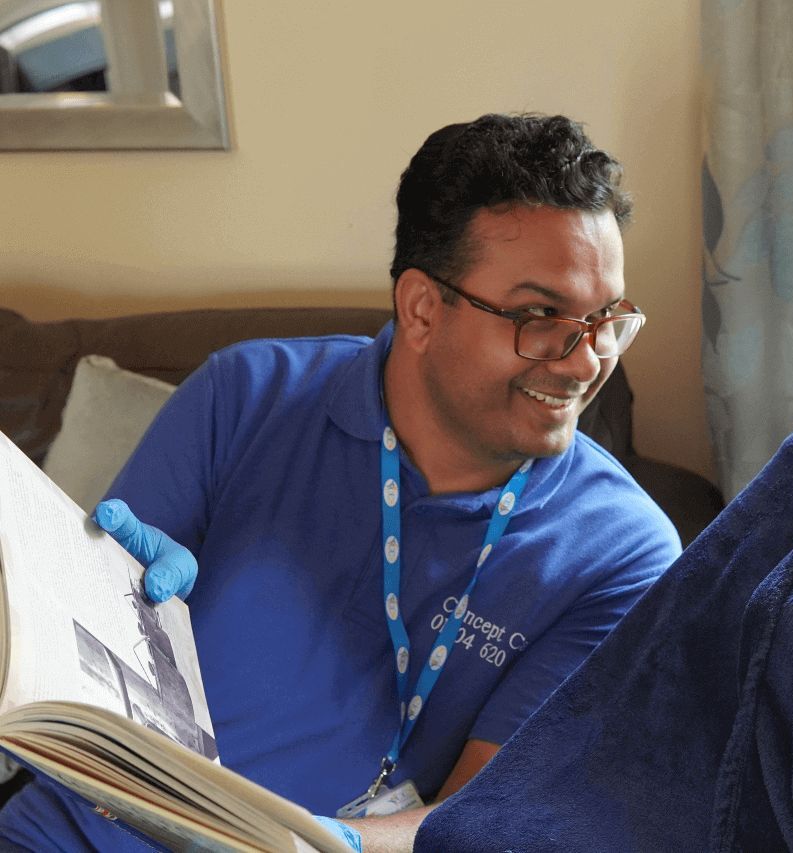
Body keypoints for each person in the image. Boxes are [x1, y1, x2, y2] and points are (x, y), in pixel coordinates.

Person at [0, 113, 682, 851]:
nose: (586, 361)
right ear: (422, 308)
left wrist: (328, 845)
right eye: (541, 315)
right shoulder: (244, 394)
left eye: (607, 316)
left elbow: (483, 815)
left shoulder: (623, 551)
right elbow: (71, 672)